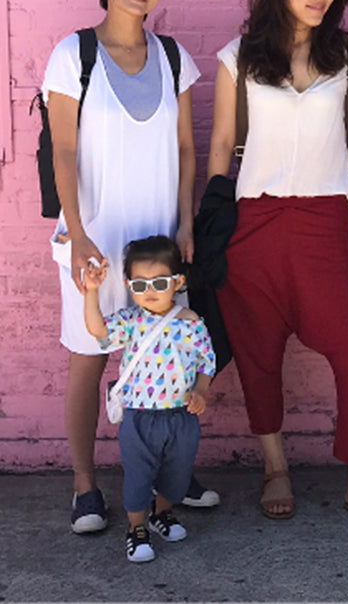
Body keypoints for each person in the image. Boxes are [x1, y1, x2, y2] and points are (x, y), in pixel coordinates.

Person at [206, 0, 348, 530]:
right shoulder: (238, 58)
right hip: (254, 224)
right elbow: (221, 142)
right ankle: (276, 468)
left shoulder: (347, 57)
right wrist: (211, 222)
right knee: (258, 352)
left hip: (324, 222)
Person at [42, 0, 216, 534]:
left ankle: (171, 480)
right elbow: (65, 152)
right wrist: (79, 235)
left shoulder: (174, 59)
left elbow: (188, 150)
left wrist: (186, 223)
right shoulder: (74, 55)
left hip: (158, 247)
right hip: (94, 240)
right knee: (89, 358)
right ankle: (85, 486)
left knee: (170, 354)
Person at [83, 236, 215, 562]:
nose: (150, 291)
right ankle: (137, 528)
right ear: (129, 286)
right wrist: (92, 292)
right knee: (138, 475)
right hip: (139, 418)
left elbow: (206, 361)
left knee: (176, 472)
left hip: (181, 416)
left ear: (177, 282)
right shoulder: (131, 321)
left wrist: (201, 390)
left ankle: (162, 513)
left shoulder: (191, 322)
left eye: (159, 282)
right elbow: (98, 331)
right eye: (140, 285)